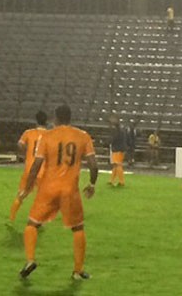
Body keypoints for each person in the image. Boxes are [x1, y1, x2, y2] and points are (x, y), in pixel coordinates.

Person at [18, 104, 98, 281]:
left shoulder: (47, 136)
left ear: (55, 118)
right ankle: (78, 271)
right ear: (70, 118)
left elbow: (35, 167)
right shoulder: (82, 136)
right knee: (78, 228)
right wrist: (92, 184)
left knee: (32, 224)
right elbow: (93, 164)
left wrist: (27, 189)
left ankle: (30, 260)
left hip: (48, 188)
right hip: (70, 190)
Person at [9, 110, 48, 223]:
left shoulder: (29, 133)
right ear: (46, 121)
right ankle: (39, 220)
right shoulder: (50, 135)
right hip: (43, 170)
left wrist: (27, 152)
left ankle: (12, 217)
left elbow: (20, 144)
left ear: (36, 121)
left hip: (30, 168)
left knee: (23, 193)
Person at [109, 115, 127, 187]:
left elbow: (114, 139)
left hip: (117, 149)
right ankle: (111, 180)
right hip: (121, 148)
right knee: (115, 165)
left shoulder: (117, 131)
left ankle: (121, 181)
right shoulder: (121, 130)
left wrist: (108, 142)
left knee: (118, 164)